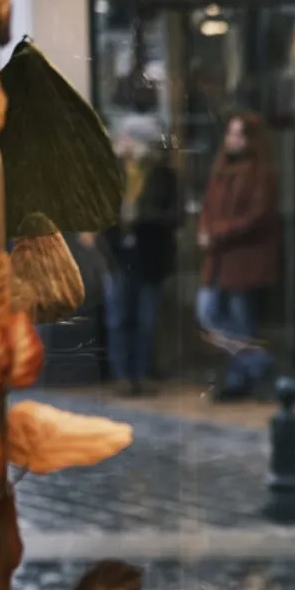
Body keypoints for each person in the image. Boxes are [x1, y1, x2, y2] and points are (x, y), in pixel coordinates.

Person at [198, 110, 280, 399]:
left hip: (243, 258)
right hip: (219, 257)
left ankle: (241, 378)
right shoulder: (222, 169)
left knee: (240, 321)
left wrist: (218, 231)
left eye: (238, 134)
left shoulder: (261, 173)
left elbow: (258, 215)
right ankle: (258, 365)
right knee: (209, 313)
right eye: (230, 133)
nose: (232, 140)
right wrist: (206, 230)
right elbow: (209, 205)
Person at [104, 117, 180, 395]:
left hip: (150, 255)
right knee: (118, 317)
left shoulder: (163, 175)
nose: (122, 143)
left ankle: (143, 373)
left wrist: (142, 218)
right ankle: (122, 374)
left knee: (146, 319)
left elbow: (173, 216)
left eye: (128, 139)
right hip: (118, 256)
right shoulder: (114, 173)